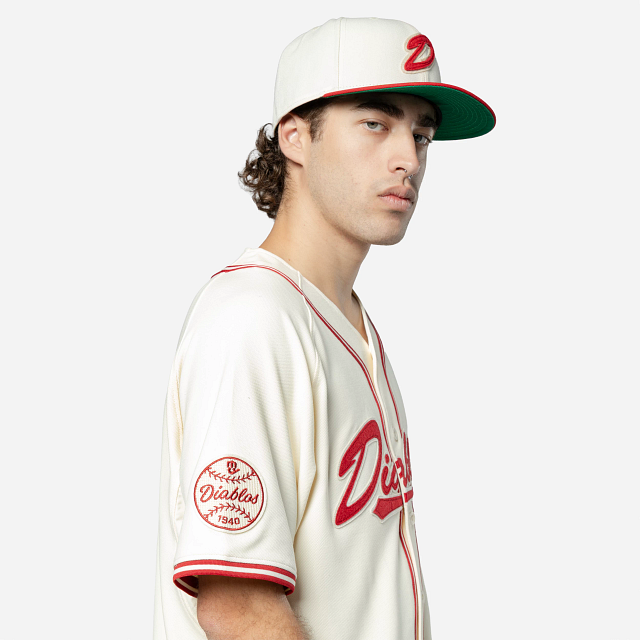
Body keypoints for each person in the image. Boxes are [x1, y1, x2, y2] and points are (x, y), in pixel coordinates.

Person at [153, 17, 495, 640]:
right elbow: (238, 608)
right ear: (295, 137)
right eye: (376, 123)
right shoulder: (253, 319)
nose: (408, 159)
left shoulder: (344, 319)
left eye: (421, 134)